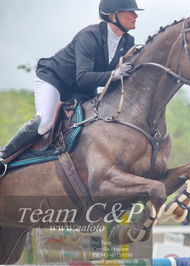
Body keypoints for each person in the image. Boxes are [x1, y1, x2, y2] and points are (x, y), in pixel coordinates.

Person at [0, 0, 143, 175]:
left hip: (81, 90)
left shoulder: (128, 41)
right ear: (112, 15)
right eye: (130, 12)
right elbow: (83, 76)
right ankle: (3, 156)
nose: (136, 16)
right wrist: (114, 74)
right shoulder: (89, 36)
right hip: (55, 80)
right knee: (45, 123)